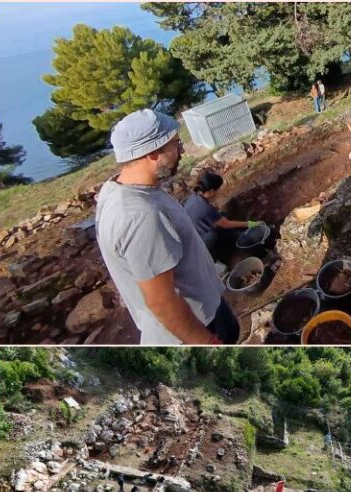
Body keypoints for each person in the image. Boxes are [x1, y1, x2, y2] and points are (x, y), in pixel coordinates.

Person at [96, 109, 238, 345]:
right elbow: (161, 301)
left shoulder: (123, 189)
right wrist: (205, 342)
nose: (181, 151)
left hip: (207, 310)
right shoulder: (140, 215)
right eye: (176, 144)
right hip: (197, 325)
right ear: (153, 153)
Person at [183, 171, 263, 262]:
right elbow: (227, 224)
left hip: (193, 234)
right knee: (213, 236)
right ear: (211, 191)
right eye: (219, 190)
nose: (220, 192)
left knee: (221, 217)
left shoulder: (194, 197)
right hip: (199, 244)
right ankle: (214, 262)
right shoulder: (206, 208)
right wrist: (250, 224)